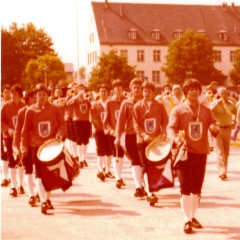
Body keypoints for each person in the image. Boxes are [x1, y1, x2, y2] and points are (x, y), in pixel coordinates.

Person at [167, 79, 219, 234]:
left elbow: (213, 124)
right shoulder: (178, 110)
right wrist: (175, 139)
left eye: (196, 89)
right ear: (185, 92)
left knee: (197, 187)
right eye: (191, 89)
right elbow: (170, 128)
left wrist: (214, 128)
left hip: (201, 152)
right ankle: (187, 220)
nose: (194, 92)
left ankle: (192, 215)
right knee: (185, 186)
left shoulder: (206, 110)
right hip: (184, 152)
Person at [21, 84, 67, 214]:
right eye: (39, 94)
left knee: (50, 173)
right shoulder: (30, 111)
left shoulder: (55, 108)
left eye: (44, 94)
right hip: (36, 146)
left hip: (51, 146)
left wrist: (59, 134)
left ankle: (47, 199)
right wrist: (24, 146)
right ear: (35, 95)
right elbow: (25, 131)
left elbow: (63, 123)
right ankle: (42, 201)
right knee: (39, 174)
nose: (41, 97)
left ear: (48, 95)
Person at [133, 82, 168, 205]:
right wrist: (144, 135)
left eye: (149, 91)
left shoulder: (159, 105)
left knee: (155, 166)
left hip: (156, 141)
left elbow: (165, 120)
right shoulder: (137, 106)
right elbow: (136, 125)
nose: (146, 93)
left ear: (154, 93)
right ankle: (150, 193)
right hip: (142, 141)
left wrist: (163, 133)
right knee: (145, 166)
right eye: (144, 91)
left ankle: (149, 187)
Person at [115, 78, 146, 197]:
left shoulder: (145, 103)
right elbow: (120, 122)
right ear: (130, 89)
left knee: (144, 162)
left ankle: (145, 185)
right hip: (131, 135)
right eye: (134, 88)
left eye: (139, 87)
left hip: (144, 136)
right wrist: (118, 137)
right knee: (134, 161)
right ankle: (138, 186)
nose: (136, 90)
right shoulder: (126, 103)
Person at [12, 90, 37, 205]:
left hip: (38, 144)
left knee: (38, 170)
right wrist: (16, 146)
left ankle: (37, 191)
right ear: (27, 99)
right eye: (32, 97)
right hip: (26, 144)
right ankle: (31, 195)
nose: (35, 99)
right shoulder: (22, 112)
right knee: (28, 170)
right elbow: (18, 130)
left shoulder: (39, 110)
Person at [1, 84, 26, 196]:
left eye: (15, 94)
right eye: (12, 93)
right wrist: (8, 129)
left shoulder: (24, 106)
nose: (13, 95)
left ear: (20, 95)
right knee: (11, 161)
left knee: (21, 161)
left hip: (21, 138)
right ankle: (13, 187)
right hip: (9, 137)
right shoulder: (5, 106)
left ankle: (21, 185)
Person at [103, 79, 127, 188]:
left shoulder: (127, 101)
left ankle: (120, 176)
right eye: (115, 87)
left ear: (123, 89)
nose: (118, 89)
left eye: (119, 87)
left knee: (124, 155)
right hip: (113, 133)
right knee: (116, 154)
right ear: (113, 89)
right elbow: (106, 120)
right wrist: (111, 131)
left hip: (126, 133)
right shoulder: (109, 102)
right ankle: (118, 177)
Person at [210, 87, 237, 180]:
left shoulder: (231, 104)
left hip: (228, 129)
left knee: (226, 152)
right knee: (220, 151)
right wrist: (217, 102)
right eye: (221, 93)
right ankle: (222, 172)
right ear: (218, 94)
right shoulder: (215, 103)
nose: (224, 95)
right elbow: (209, 111)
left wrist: (234, 121)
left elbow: (236, 113)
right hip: (218, 129)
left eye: (225, 93)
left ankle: (224, 169)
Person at [91, 84, 114, 181]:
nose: (103, 93)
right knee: (100, 150)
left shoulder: (111, 103)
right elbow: (93, 118)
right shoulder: (95, 104)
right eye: (101, 91)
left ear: (108, 93)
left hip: (109, 131)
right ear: (99, 93)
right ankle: (100, 170)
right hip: (99, 130)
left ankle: (108, 170)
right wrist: (97, 128)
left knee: (109, 151)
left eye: (105, 91)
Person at [67, 83, 91, 168]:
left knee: (86, 141)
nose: (81, 90)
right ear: (77, 90)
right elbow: (68, 103)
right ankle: (80, 160)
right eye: (79, 88)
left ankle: (83, 158)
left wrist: (88, 98)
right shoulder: (74, 98)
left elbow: (92, 106)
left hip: (86, 121)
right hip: (77, 121)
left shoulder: (86, 98)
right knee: (79, 141)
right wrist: (77, 96)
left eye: (82, 88)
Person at [1, 84, 11, 186]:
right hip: (2, 132)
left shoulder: (12, 104)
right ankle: (5, 177)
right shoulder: (1, 104)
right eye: (5, 92)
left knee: (12, 155)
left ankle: (13, 177)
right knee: (3, 154)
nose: (7, 94)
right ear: (2, 93)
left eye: (8, 92)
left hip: (12, 132)